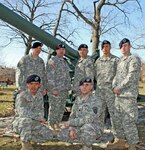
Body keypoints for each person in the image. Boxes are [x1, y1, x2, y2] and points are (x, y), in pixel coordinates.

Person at [110, 38, 141, 150]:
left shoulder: (134, 59)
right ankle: (121, 141)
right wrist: (113, 86)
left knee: (128, 121)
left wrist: (120, 87)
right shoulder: (120, 61)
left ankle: (133, 145)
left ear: (130, 46)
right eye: (122, 46)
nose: (124, 48)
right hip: (118, 96)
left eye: (126, 45)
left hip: (128, 96)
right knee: (117, 120)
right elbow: (116, 76)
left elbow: (131, 76)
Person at [57, 77, 102, 150]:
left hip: (93, 127)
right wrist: (71, 128)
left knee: (86, 128)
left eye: (87, 85)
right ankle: (80, 139)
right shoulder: (78, 99)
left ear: (91, 87)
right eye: (82, 85)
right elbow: (72, 115)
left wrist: (71, 123)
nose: (84, 87)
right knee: (62, 134)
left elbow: (89, 119)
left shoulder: (96, 100)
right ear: (79, 87)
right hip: (78, 126)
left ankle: (87, 147)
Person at [12, 75, 54, 150]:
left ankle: (29, 137)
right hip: (20, 122)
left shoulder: (39, 96)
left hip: (34, 123)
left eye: (36, 84)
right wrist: (38, 118)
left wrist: (40, 119)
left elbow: (41, 111)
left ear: (39, 85)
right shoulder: (21, 96)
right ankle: (25, 146)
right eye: (31, 84)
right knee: (26, 121)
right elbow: (22, 112)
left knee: (49, 135)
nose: (34, 86)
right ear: (27, 84)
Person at [15, 42, 49, 120]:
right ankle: (22, 125)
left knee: (37, 108)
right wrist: (19, 87)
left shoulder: (41, 61)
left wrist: (44, 88)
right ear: (33, 49)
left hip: (38, 89)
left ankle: (36, 124)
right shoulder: (25, 59)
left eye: (40, 49)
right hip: (26, 88)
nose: (39, 50)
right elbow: (19, 73)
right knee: (25, 108)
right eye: (37, 48)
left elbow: (43, 76)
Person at [94, 40, 119, 130]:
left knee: (114, 113)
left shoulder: (115, 60)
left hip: (111, 91)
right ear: (102, 48)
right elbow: (95, 75)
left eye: (107, 46)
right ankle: (98, 132)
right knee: (99, 112)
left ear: (110, 47)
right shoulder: (98, 61)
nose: (105, 48)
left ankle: (117, 135)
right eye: (103, 47)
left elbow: (119, 74)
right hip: (100, 90)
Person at [46, 43, 71, 130]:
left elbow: (67, 76)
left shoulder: (64, 62)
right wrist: (53, 89)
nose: (61, 51)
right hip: (55, 90)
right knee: (54, 108)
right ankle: (51, 124)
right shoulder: (52, 61)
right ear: (56, 51)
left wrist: (68, 87)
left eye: (63, 50)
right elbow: (50, 76)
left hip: (64, 90)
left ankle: (57, 123)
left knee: (61, 108)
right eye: (60, 49)